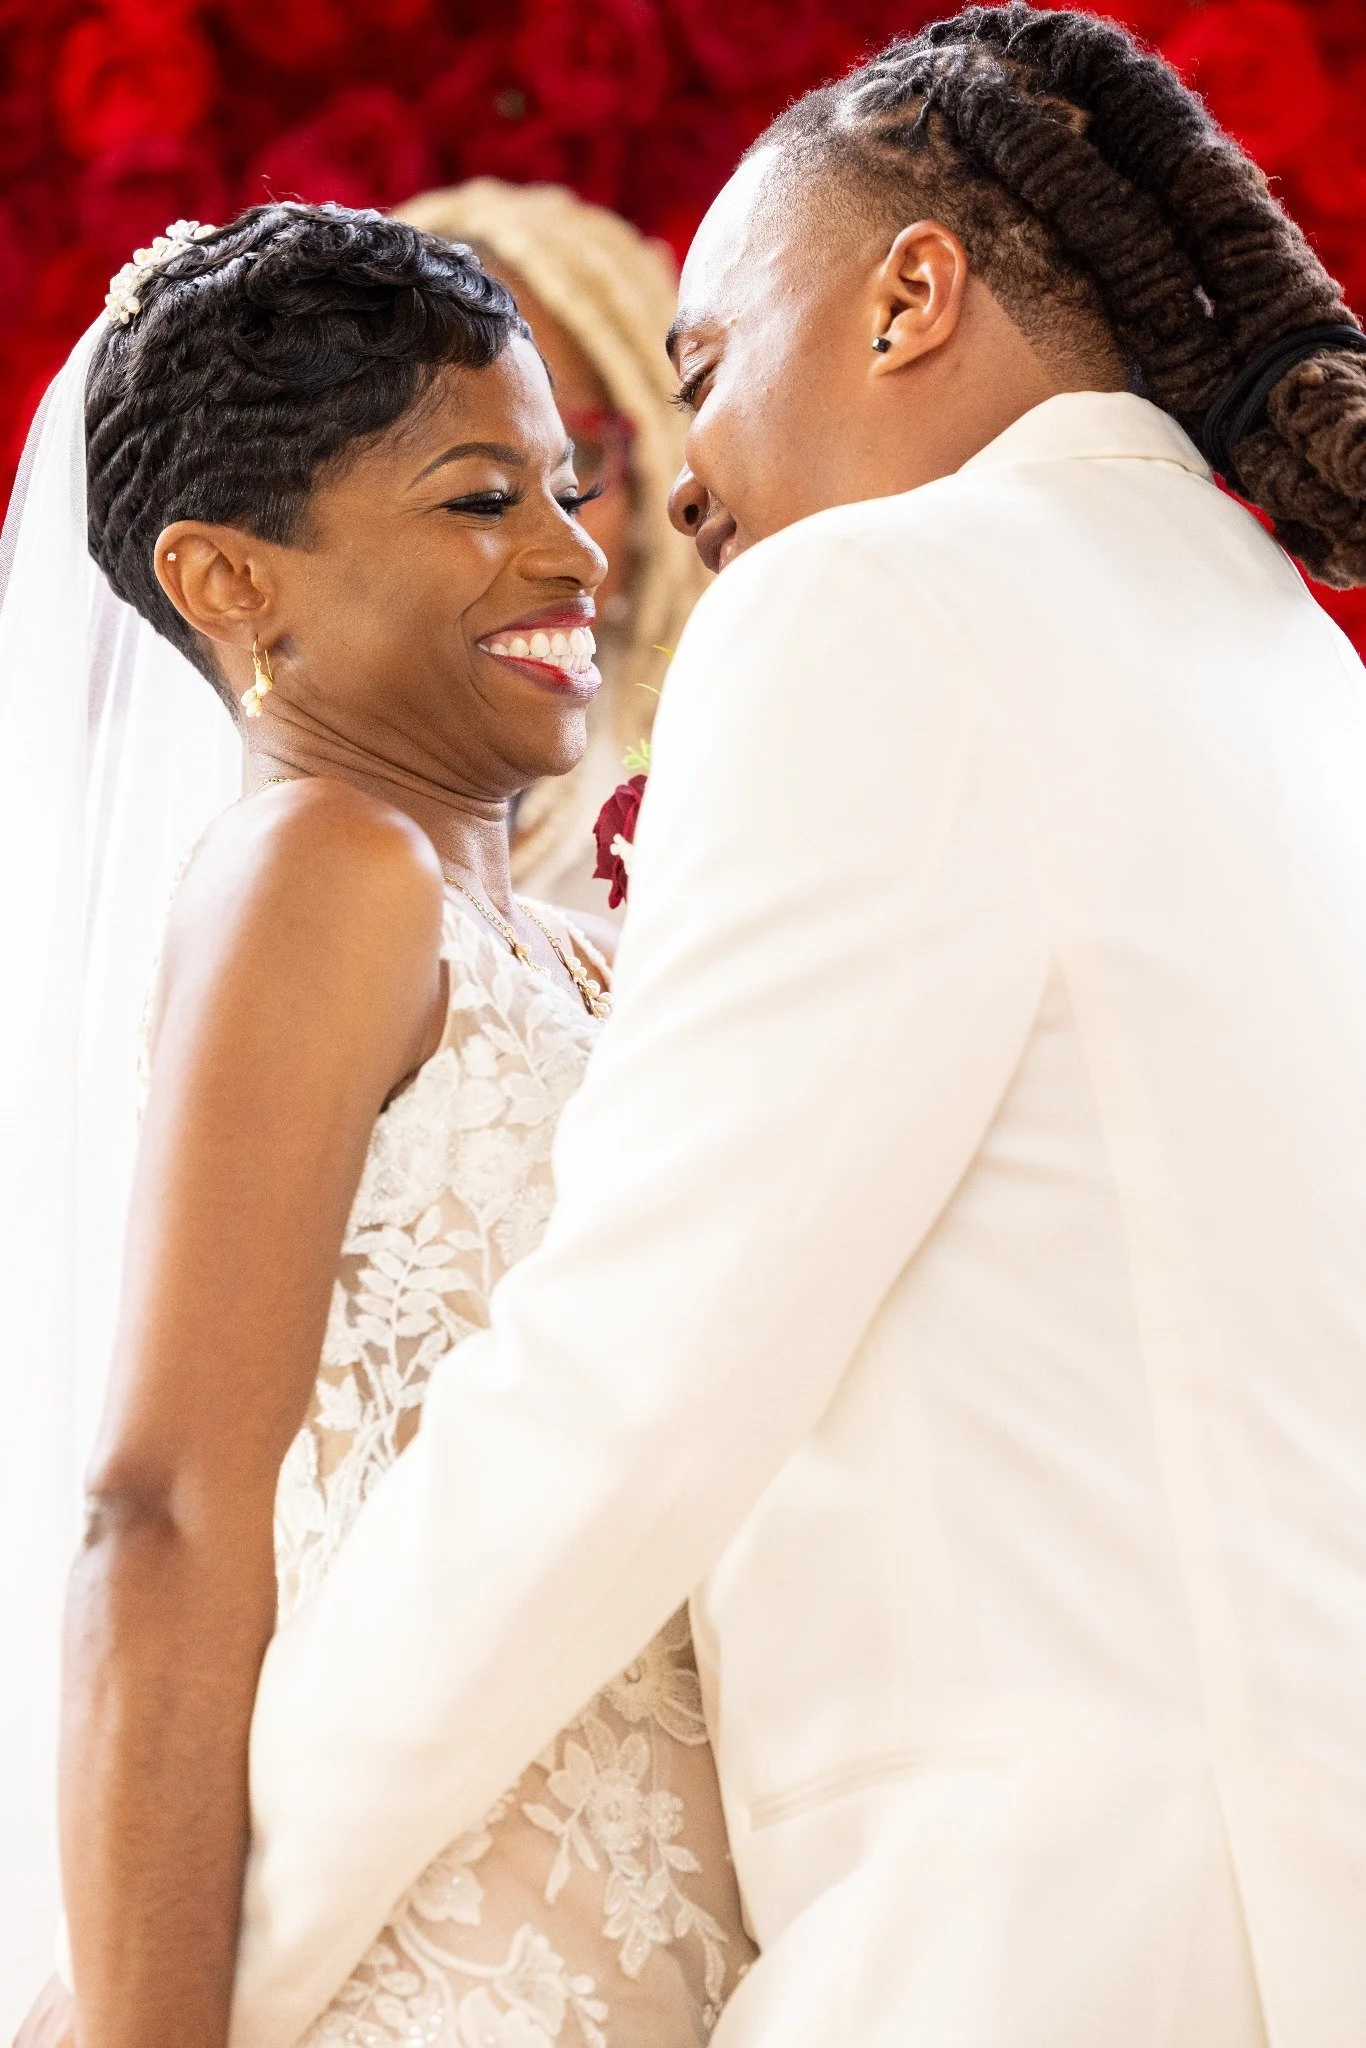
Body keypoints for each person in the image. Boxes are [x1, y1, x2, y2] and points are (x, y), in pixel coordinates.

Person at [227, 8, 1366, 2048]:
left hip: (1025, 1944)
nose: (680, 494)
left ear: (909, 294)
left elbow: (629, 1378)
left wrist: (210, 1946)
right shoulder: (1280, 653)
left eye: (704, 374)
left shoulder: (874, 611)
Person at [12, 203, 753, 2048]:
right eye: (476, 498)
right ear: (232, 580)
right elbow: (165, 1507)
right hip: (435, 1957)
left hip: (662, 1928)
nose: (577, 549)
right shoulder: (314, 870)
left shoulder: (564, 939)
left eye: (568, 486)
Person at [394, 178, 708, 915]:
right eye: (459, 471)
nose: (529, 538)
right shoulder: (204, 780)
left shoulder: (722, 791)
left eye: (574, 461)